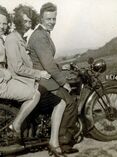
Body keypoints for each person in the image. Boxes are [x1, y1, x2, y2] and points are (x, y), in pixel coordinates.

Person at [5, 4, 67, 156]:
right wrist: (39, 73)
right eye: (24, 21)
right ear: (17, 21)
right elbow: (18, 68)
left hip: (27, 80)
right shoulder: (13, 39)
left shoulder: (20, 38)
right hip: (23, 81)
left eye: (28, 21)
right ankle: (54, 141)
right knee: (60, 101)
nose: (27, 25)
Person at [0, 5, 41, 142]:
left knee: (31, 86)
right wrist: (2, 74)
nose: (2, 26)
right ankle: (16, 125)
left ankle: (26, 126)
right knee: (34, 95)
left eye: (4, 23)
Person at [27, 2, 79, 153]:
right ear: (41, 19)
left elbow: (48, 59)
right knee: (69, 102)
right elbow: (47, 64)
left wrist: (61, 66)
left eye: (54, 19)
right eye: (48, 19)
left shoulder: (43, 34)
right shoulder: (39, 36)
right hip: (43, 79)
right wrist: (64, 82)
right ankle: (62, 142)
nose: (52, 22)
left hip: (46, 76)